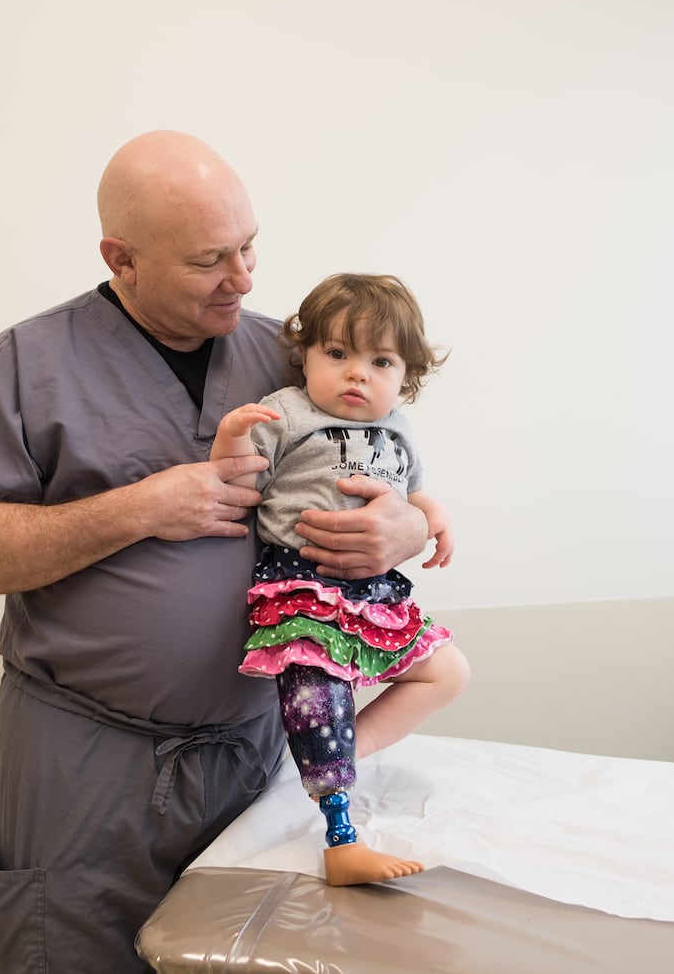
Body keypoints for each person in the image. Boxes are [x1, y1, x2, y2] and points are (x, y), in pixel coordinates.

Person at [0, 131, 432, 974]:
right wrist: (144, 506)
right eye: (209, 261)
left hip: (252, 756)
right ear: (121, 258)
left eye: (249, 246)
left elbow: (393, 466)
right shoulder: (28, 363)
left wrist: (405, 526)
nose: (244, 278)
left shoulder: (294, 354)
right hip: (85, 768)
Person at [210, 273, 471, 887]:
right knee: (319, 696)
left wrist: (436, 518)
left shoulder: (398, 428)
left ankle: (341, 757)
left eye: (380, 361)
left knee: (449, 671)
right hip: (303, 590)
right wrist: (229, 437)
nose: (358, 374)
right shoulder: (285, 413)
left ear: (404, 375)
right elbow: (237, 480)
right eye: (337, 354)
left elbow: (415, 492)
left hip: (373, 594)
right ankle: (341, 840)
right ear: (304, 356)